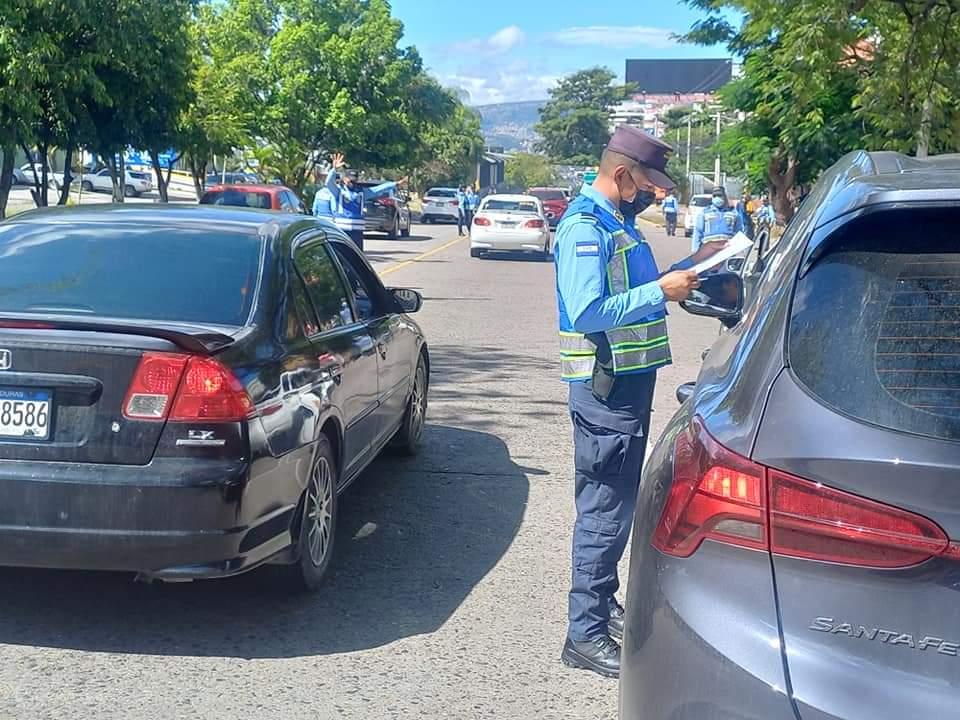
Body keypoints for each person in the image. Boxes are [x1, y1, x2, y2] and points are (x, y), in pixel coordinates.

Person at [554, 125, 727, 679]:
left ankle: (600, 608)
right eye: (646, 181)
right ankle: (583, 633)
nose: (652, 192)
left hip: (628, 385)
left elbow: (637, 287)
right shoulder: (585, 226)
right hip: (606, 389)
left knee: (618, 505)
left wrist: (694, 265)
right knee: (604, 512)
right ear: (622, 173)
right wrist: (661, 291)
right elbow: (586, 311)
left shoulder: (615, 223)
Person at [326, 152, 407, 252]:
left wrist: (396, 184)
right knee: (341, 258)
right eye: (350, 180)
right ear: (344, 179)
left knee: (356, 259)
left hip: (357, 233)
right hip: (342, 231)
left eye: (354, 180)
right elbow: (328, 182)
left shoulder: (362, 192)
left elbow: (379, 189)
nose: (352, 183)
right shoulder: (338, 191)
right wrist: (334, 169)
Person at [692, 186, 743, 253]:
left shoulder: (733, 213)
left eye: (719, 195)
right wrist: (695, 250)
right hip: (709, 250)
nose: (717, 198)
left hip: (727, 250)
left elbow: (739, 232)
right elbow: (698, 232)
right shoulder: (704, 213)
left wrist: (739, 249)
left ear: (724, 197)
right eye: (715, 196)